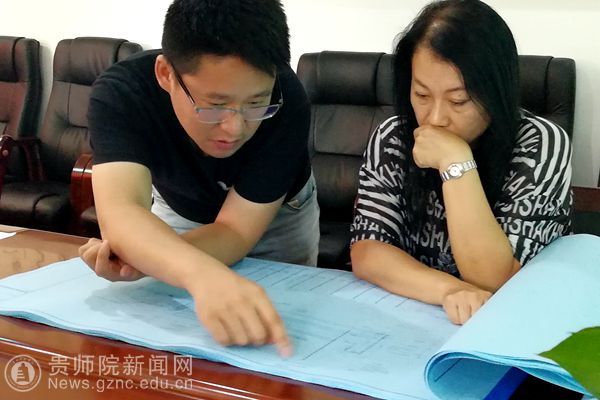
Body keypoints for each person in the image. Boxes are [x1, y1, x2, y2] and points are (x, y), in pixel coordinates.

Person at [78, 0, 320, 356]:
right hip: (179, 207)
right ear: (166, 74)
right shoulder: (123, 94)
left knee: (283, 330)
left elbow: (235, 231)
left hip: (275, 218)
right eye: (215, 105)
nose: (235, 128)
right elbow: (122, 212)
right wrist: (161, 261)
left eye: (256, 103)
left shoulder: (289, 101)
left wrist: (154, 256)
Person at [350, 0, 572, 325]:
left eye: (459, 100)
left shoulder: (540, 143)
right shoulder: (393, 137)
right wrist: (449, 291)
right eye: (421, 95)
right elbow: (367, 251)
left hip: (515, 323)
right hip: (419, 314)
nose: (435, 118)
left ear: (496, 92)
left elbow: (493, 280)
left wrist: (456, 163)